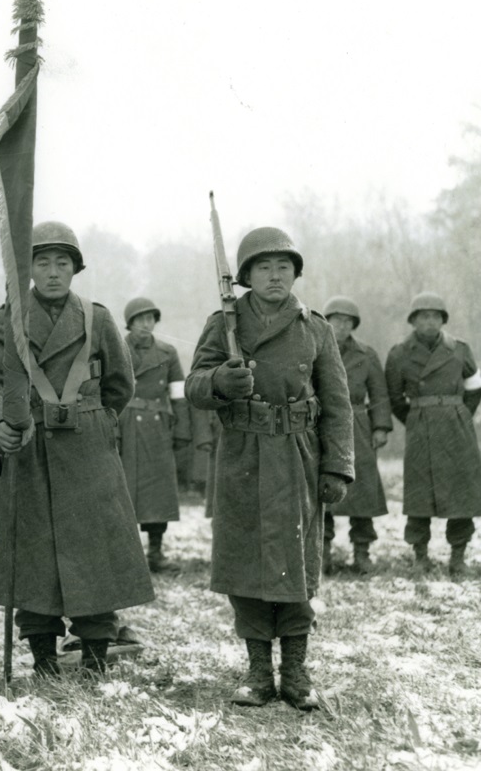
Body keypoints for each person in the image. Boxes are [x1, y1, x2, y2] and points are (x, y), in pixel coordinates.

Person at [0, 221, 154, 675]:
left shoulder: (97, 317)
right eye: (42, 262)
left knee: (96, 557)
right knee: (35, 561)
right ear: (27, 269)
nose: (52, 272)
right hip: (30, 450)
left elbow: (120, 384)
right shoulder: (4, 319)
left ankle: (95, 659)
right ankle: (44, 662)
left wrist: (91, 421)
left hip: (89, 453)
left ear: (75, 268)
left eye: (62, 262)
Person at [186, 227, 353, 710]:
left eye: (284, 267)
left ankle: (296, 673)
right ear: (246, 277)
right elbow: (195, 386)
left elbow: (338, 404)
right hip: (242, 455)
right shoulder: (224, 325)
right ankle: (259, 673)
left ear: (296, 273)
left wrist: (338, 467)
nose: (275, 276)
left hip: (299, 456)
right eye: (264, 267)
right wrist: (221, 379)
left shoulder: (315, 327)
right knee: (246, 563)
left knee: (298, 564)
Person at [384, 292, 481, 576]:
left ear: (443, 320)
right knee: (419, 494)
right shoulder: (399, 353)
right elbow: (394, 397)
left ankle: (458, 557)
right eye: (423, 316)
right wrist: (417, 417)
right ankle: (420, 556)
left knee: (461, 493)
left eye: (435, 316)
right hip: (421, 429)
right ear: (413, 321)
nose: (430, 321)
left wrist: (461, 413)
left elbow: (474, 388)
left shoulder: (460, 349)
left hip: (457, 428)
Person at [117, 297, 191, 572]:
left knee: (157, 492)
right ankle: (126, 554)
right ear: (130, 323)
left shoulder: (168, 352)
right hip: (124, 427)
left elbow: (179, 395)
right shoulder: (116, 349)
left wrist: (182, 430)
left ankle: (156, 552)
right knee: (125, 489)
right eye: (140, 319)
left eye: (150, 319)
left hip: (159, 428)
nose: (146, 324)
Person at [321, 296, 392, 575]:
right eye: (336, 320)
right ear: (326, 322)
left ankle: (362, 553)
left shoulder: (366, 353)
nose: (342, 326)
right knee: (323, 489)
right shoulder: (314, 349)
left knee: (362, 492)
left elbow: (380, 394)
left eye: (348, 322)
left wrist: (381, 428)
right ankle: (322, 552)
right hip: (322, 424)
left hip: (358, 426)